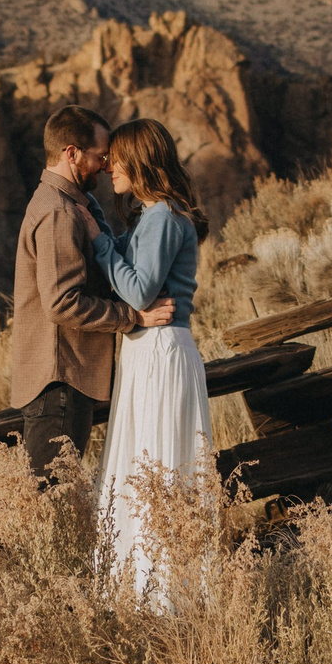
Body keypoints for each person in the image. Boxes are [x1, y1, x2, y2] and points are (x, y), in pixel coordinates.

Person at [8, 105, 175, 478]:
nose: (104, 165)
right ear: (71, 153)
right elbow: (62, 303)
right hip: (60, 377)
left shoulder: (71, 204)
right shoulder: (58, 212)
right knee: (48, 501)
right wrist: (133, 317)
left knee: (50, 498)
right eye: (100, 156)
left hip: (62, 376)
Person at [89, 117, 212, 597]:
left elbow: (139, 291)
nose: (109, 166)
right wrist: (101, 226)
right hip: (150, 352)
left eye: (117, 157)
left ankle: (159, 596)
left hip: (160, 350)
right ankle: (146, 589)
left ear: (139, 159)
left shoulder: (162, 215)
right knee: (149, 461)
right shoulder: (150, 215)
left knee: (156, 461)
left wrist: (100, 243)